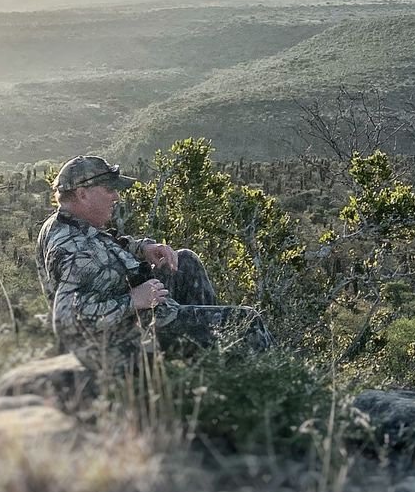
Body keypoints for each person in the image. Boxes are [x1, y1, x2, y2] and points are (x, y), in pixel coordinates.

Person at [35, 154, 270, 376]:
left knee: (184, 260)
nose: (116, 197)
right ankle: (276, 388)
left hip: (137, 321)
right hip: (122, 344)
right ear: (83, 194)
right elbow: (65, 320)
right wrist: (133, 300)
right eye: (109, 189)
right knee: (246, 322)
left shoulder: (68, 222)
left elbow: (105, 244)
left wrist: (144, 249)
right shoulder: (72, 249)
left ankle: (206, 360)